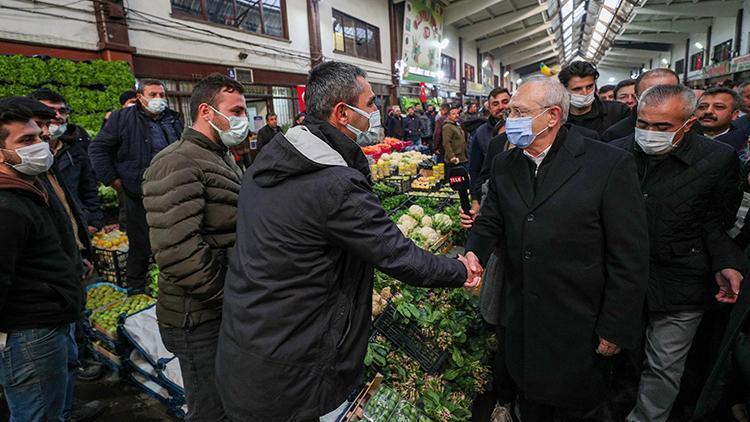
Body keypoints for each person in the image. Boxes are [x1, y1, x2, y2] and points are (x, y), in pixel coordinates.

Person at [215, 61, 480, 421]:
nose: (377, 113)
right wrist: (459, 269)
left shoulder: (269, 163)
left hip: (249, 347)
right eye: (371, 104)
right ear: (342, 113)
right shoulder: (333, 184)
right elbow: (397, 255)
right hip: (292, 368)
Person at [462, 77, 649, 421]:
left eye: (519, 111)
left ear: (551, 116)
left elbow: (629, 255)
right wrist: (474, 252)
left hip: (580, 319)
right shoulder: (507, 163)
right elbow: (490, 220)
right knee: (530, 401)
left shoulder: (606, 164)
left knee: (576, 407)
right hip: (523, 314)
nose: (508, 118)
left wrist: (616, 325)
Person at [607, 84, 745, 422]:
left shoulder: (717, 159)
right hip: (621, 278)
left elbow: (717, 220)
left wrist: (727, 262)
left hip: (683, 279)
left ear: (689, 122)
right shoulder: (614, 154)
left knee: (664, 365)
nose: (650, 133)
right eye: (644, 124)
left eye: (663, 127)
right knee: (618, 359)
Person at [143, 74, 245, 422]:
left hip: (217, 310)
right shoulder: (176, 162)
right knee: (209, 410)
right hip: (195, 316)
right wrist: (226, 295)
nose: (243, 119)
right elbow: (176, 250)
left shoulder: (219, 157)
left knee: (229, 401)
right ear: (206, 110)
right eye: (237, 111)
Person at [0, 104, 85, 422]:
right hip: (29, 334)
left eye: (39, 136)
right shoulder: (6, 206)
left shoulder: (29, 186)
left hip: (52, 321)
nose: (41, 145)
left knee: (51, 407)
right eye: (26, 140)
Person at [89, 78, 183, 290]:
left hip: (173, 190)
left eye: (161, 95)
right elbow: (98, 149)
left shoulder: (173, 119)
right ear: (140, 97)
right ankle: (137, 286)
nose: (158, 99)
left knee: (174, 238)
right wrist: (115, 182)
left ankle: (170, 280)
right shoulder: (122, 119)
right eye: (153, 95)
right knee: (140, 244)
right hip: (137, 192)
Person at [29, 89, 104, 232]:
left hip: (77, 225)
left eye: (62, 111)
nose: (57, 116)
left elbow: (88, 187)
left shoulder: (75, 147)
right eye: (49, 110)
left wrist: (94, 220)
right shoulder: (25, 153)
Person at [602, 68, 681, 142]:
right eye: (651, 94)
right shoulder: (616, 134)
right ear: (638, 97)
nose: (659, 99)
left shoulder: (689, 127)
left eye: (667, 93)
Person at [558, 61, 630, 134]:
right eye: (577, 89)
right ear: (564, 90)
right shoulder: (557, 118)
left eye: (589, 86)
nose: (585, 93)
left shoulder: (618, 112)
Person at [469, 87, 511, 212]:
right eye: (495, 104)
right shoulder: (480, 133)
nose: (501, 107)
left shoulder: (526, 127)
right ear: (489, 108)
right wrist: (475, 200)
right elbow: (475, 169)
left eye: (505, 102)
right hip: (492, 196)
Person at [696, 87, 748, 153]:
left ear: (734, 115)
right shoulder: (682, 138)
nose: (708, 111)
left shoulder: (744, 145)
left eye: (719, 107)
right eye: (702, 107)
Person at [442, 105, 468, 176]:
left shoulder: (456, 125)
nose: (456, 115)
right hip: (454, 160)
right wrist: (452, 157)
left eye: (457, 113)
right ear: (449, 116)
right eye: (453, 114)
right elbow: (446, 143)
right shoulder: (447, 127)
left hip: (462, 157)